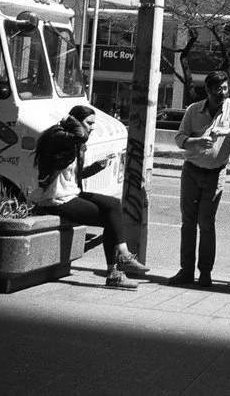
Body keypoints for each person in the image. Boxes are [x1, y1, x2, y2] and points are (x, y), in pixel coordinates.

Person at [30, 104, 149, 289]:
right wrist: (73, 120)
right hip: (55, 198)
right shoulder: (58, 136)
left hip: (72, 192)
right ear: (75, 121)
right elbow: (81, 134)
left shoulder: (74, 142)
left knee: (114, 205)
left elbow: (76, 175)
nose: (92, 127)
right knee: (111, 220)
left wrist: (97, 167)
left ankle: (121, 260)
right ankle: (115, 271)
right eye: (89, 123)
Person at [170, 71, 230, 287]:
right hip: (191, 170)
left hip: (216, 173)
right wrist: (196, 141)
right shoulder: (193, 110)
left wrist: (227, 131)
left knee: (206, 223)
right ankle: (186, 271)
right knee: (188, 223)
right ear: (207, 91)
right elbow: (179, 139)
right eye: (218, 89)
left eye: (226, 88)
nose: (223, 93)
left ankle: (205, 273)